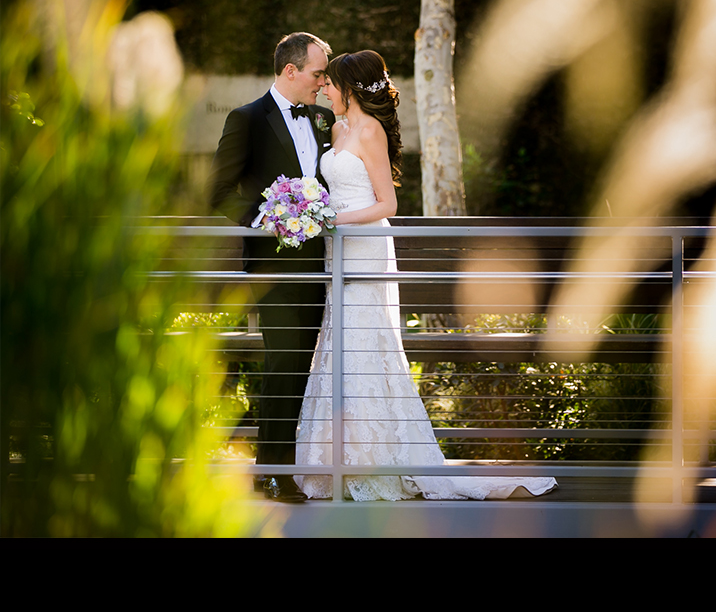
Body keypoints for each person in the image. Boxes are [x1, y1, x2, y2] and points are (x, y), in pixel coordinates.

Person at [295, 50, 557, 500]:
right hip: (335, 250)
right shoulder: (337, 128)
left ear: (351, 89)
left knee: (364, 339)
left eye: (331, 85)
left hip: (364, 246)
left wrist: (335, 220)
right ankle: (339, 458)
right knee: (338, 340)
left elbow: (387, 205)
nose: (324, 90)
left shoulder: (372, 131)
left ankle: (375, 461)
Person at [208, 32, 335, 503]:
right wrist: (269, 218)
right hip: (272, 265)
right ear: (290, 70)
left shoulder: (324, 118)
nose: (324, 84)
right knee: (282, 362)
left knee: (305, 364)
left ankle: (291, 464)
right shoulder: (246, 119)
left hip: (323, 265)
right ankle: (273, 471)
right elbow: (218, 191)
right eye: (319, 74)